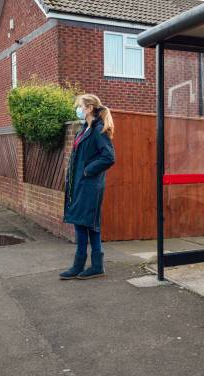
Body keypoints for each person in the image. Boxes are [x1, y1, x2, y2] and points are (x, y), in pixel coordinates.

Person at [60, 94, 115, 280]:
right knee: (88, 224)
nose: (79, 110)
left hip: (90, 185)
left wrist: (87, 170)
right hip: (80, 184)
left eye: (80, 106)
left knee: (83, 224)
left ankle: (80, 265)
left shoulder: (99, 130)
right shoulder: (84, 129)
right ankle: (95, 266)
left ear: (90, 108)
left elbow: (108, 157)